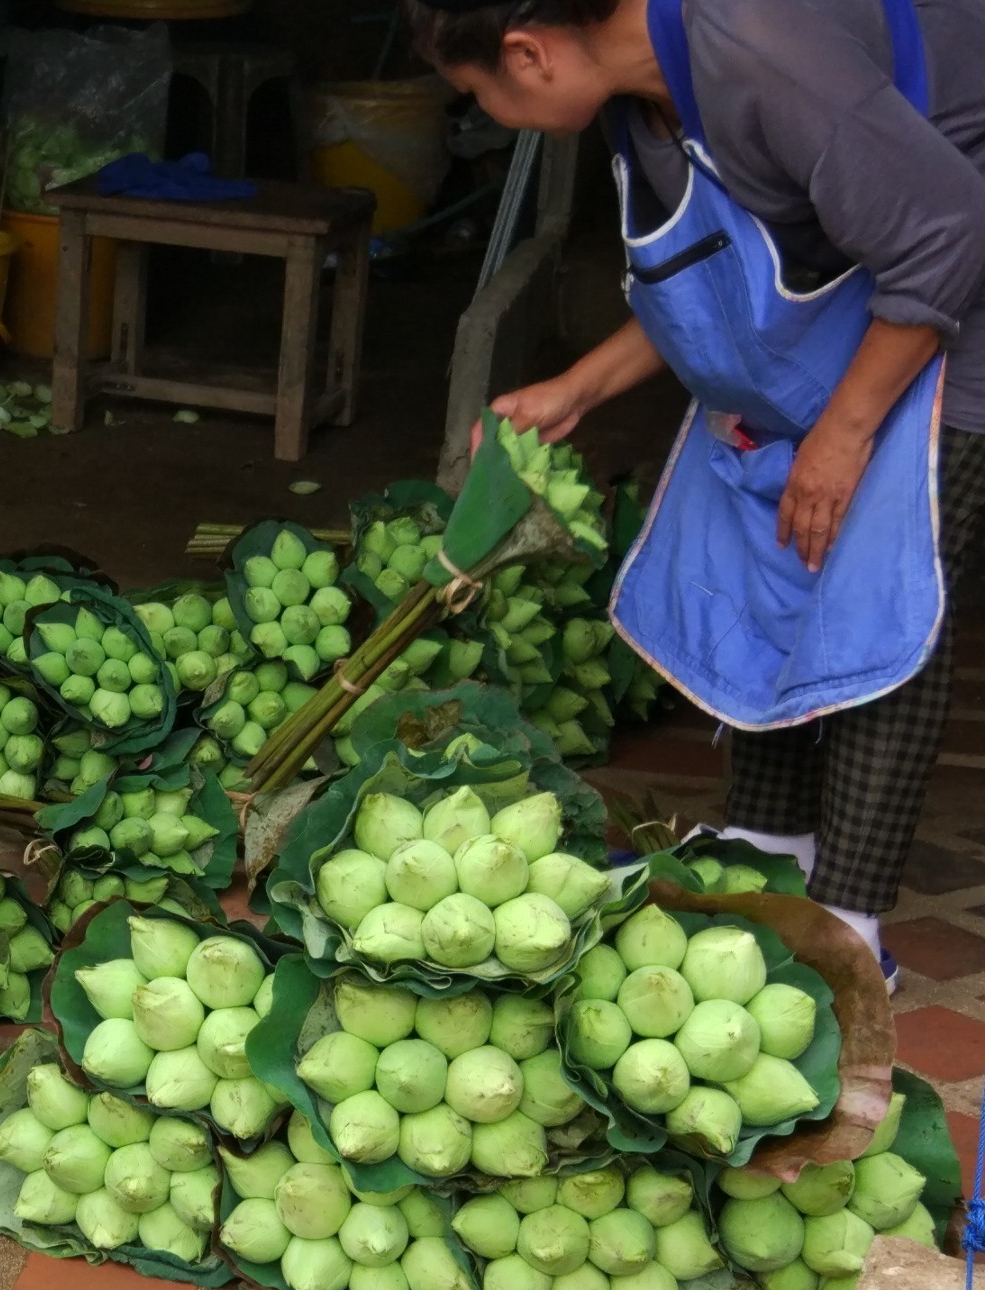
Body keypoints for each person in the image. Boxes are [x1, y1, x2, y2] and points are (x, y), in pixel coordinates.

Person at [406, 0, 985, 985]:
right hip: (874, 283)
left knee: (876, 601)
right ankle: (769, 856)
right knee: (769, 548)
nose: (485, 117)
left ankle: (843, 938)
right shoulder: (645, 100)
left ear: (526, 53)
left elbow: (943, 230)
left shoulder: (755, 44)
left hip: (958, 276)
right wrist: (575, 388)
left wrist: (840, 439)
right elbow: (726, 270)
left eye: (475, 95)